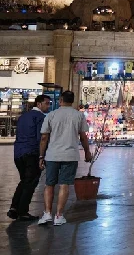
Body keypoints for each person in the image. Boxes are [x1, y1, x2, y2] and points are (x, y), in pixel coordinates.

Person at [37, 91, 92, 226]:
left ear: (60, 100)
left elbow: (44, 137)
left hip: (52, 155)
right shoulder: (78, 115)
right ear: (72, 101)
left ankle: (47, 213)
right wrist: (87, 152)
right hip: (70, 155)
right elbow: (83, 137)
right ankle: (59, 215)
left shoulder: (51, 115)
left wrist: (41, 156)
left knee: (49, 184)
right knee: (64, 184)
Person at [8, 95, 51, 221]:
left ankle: (14, 208)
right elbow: (42, 138)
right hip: (32, 153)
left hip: (18, 153)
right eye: (46, 103)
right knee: (31, 182)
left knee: (24, 181)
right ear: (39, 104)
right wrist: (42, 156)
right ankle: (23, 211)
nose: (48, 106)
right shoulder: (41, 117)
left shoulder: (23, 116)